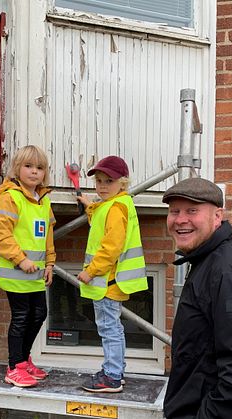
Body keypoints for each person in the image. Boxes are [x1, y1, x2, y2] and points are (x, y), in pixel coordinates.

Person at [162, 177, 232, 418]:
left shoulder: (228, 272)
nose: (180, 219)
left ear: (217, 217)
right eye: (174, 211)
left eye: (192, 210)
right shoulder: (209, 262)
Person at [0, 145, 55, 388]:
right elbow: (1, 234)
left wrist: (50, 263)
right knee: (22, 317)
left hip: (35, 273)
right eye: (29, 166)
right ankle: (14, 366)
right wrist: (20, 259)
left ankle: (24, 360)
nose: (34, 172)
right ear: (17, 169)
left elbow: (48, 237)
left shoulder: (43, 200)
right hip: (15, 271)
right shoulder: (10, 197)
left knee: (39, 314)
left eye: (40, 168)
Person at [75, 156, 148, 393]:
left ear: (123, 184)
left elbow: (110, 247)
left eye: (109, 181)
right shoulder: (114, 205)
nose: (102, 186)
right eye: (98, 181)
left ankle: (112, 376)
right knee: (112, 328)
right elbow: (100, 222)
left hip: (107, 281)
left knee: (108, 328)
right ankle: (114, 370)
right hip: (110, 281)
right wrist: (89, 205)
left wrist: (90, 271)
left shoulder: (116, 208)